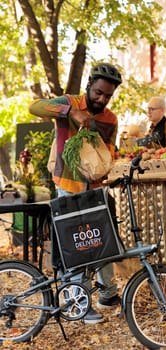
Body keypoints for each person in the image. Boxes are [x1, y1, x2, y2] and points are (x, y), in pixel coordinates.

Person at [29, 62, 122, 324]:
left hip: (95, 187)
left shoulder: (110, 118)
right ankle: (77, 301)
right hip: (67, 185)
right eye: (98, 93)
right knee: (77, 243)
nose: (102, 99)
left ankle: (108, 293)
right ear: (89, 86)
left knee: (102, 238)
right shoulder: (68, 102)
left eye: (107, 96)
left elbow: (111, 150)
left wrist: (104, 162)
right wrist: (71, 112)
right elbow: (34, 106)